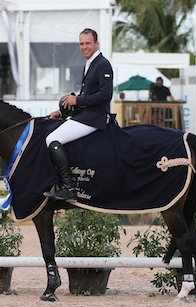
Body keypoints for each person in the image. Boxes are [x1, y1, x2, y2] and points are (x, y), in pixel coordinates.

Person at [45, 28, 113, 202]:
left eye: (88, 43)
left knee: (52, 140)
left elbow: (106, 95)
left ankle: (68, 188)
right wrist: (61, 112)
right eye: (81, 44)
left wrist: (78, 100)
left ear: (96, 44)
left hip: (94, 118)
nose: (84, 47)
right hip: (85, 114)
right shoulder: (89, 63)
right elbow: (85, 97)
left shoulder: (103, 64)